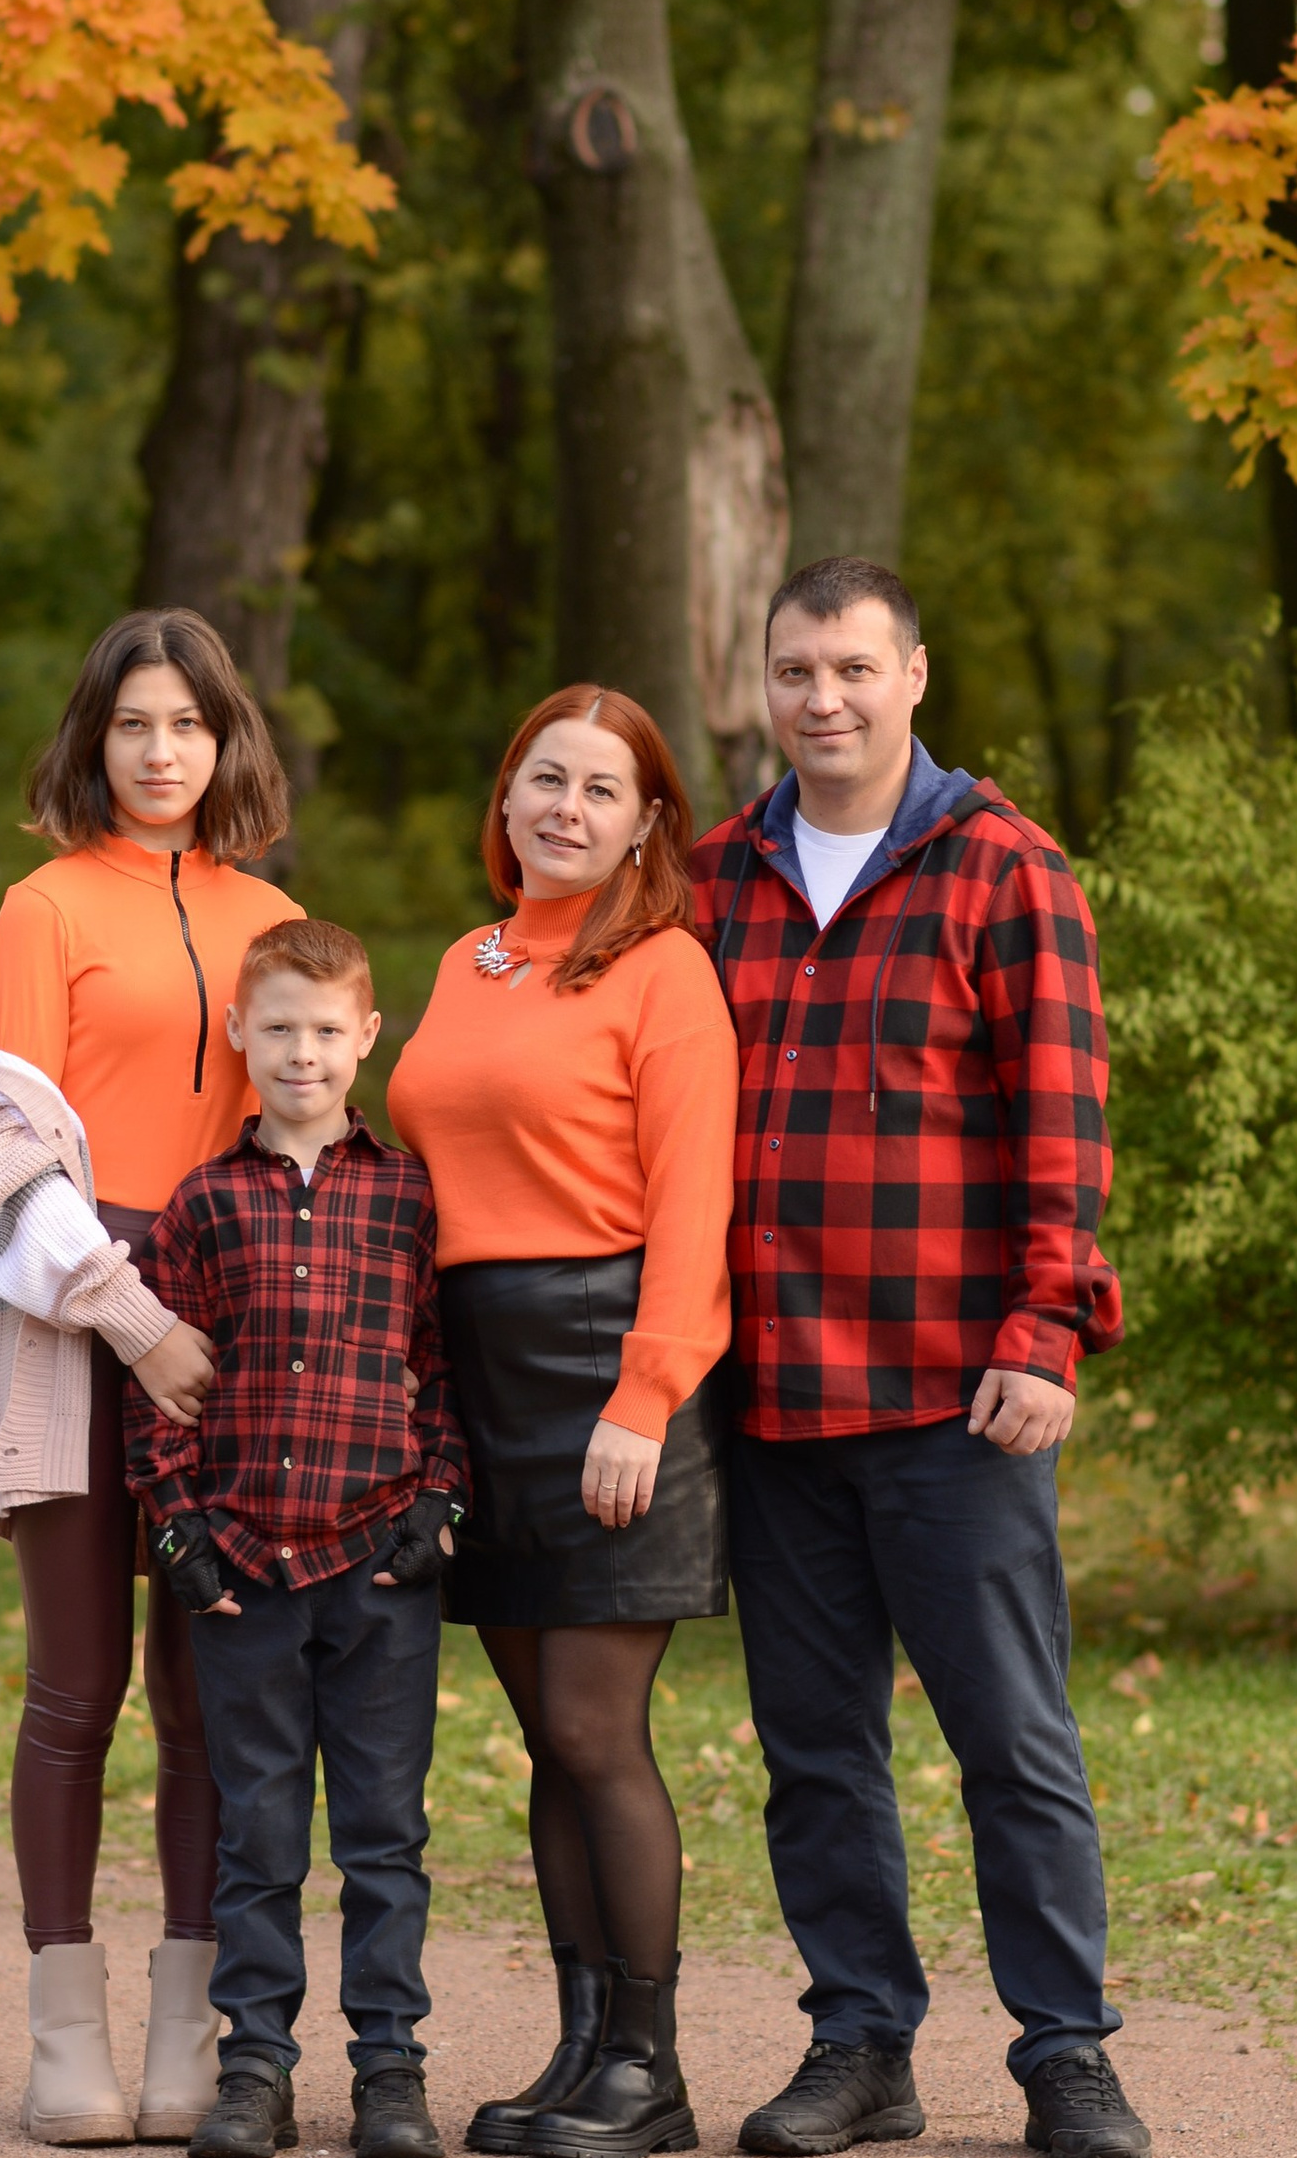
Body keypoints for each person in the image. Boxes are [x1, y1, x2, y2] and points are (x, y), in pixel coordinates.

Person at [689, 558, 1152, 2158]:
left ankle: (1066, 2052)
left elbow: (1065, 1131)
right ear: (766, 685)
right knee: (817, 1755)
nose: (824, 698)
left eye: (853, 670)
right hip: (773, 1402)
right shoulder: (710, 883)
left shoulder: (1003, 872)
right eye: (796, 671)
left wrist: (1048, 1334)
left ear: (915, 677)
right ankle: (862, 2045)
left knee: (1012, 1740)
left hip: (959, 1400)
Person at [0, 607, 301, 2145]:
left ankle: (190, 2030)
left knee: (206, 1695)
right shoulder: (44, 907)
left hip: (231, 1331)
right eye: (134, 724)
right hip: (84, 1316)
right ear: (94, 740)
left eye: (189, 726)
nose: (162, 752)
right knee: (76, 1688)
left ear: (227, 743)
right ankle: (63, 2033)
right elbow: (2, 1156)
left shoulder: (273, 914)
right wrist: (130, 1319)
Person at [385, 686, 736, 2158]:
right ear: (508, 793)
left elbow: (693, 1201)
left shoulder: (663, 972)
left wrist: (646, 1397)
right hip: (480, 1375)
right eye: (545, 779)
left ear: (648, 819)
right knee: (546, 1740)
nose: (566, 809)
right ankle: (581, 2046)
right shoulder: (470, 964)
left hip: (606, 1370)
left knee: (599, 1731)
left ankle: (650, 2069)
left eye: (602, 789)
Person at [127, 918, 466, 2158]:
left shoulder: (410, 1193)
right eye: (278, 1028)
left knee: (386, 1833)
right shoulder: (204, 1204)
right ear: (239, 1035)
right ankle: (254, 2067)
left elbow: (440, 1367)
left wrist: (439, 1503)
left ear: (368, 1037)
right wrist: (181, 1533)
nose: (303, 1053)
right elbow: (157, 1384)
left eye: (327, 1031)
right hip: (247, 1575)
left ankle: (389, 2069)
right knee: (257, 1832)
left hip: (380, 1564)